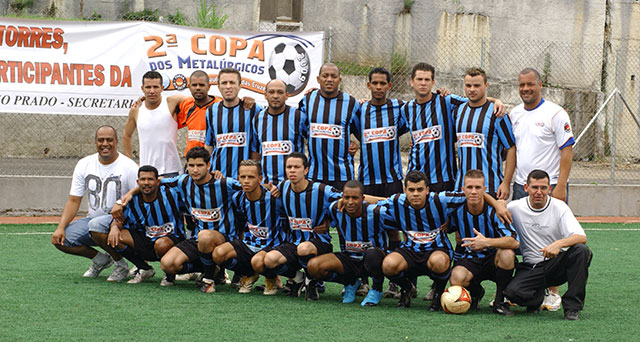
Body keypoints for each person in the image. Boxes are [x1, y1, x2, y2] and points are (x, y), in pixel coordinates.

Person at [510, 67, 576, 310]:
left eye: (530, 84)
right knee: (521, 237)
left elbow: (567, 150)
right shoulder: (514, 114)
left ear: (540, 85)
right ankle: (527, 285)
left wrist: (559, 187)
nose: (525, 89)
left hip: (549, 188)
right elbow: (513, 151)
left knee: (552, 235)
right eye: (521, 85)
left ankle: (553, 291)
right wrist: (508, 182)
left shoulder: (555, 113)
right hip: (521, 186)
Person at [51, 125, 138, 281]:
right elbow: (73, 200)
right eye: (101, 140)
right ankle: (101, 260)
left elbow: (138, 198)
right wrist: (60, 227)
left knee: (96, 225)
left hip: (122, 223)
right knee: (62, 240)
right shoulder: (84, 163)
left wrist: (117, 221)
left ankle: (120, 264)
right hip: (92, 221)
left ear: (117, 142)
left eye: (109, 140)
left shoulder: (129, 166)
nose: (105, 144)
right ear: (95, 142)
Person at [504, 170, 591, 320]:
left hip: (556, 265)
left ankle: (572, 308)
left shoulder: (559, 207)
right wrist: (499, 203)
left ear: (549, 189)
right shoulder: (514, 207)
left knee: (581, 251)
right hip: (531, 267)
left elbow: (581, 236)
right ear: (526, 188)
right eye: (534, 187)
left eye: (543, 188)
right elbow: (497, 211)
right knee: (513, 293)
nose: (539, 192)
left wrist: (558, 244)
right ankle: (535, 298)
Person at [258, 152, 341, 301]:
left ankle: (312, 282)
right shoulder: (283, 187)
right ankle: (299, 277)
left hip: (318, 243)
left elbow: (348, 199)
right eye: (289, 167)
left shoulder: (321, 190)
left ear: (306, 170)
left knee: (304, 248)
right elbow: (261, 188)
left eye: (297, 167)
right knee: (269, 260)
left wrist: (328, 221)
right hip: (294, 243)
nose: (292, 170)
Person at [159, 146, 242, 292]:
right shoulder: (183, 181)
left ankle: (208, 279)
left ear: (208, 166)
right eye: (191, 165)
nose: (195, 170)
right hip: (199, 240)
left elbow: (251, 187)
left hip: (224, 240)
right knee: (168, 264)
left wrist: (273, 188)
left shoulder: (223, 184)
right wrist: (124, 199)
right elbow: (154, 181)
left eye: (200, 165)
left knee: (204, 236)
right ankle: (213, 268)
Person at [356, 67, 408, 298]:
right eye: (374, 83)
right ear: (368, 85)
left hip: (392, 180)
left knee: (394, 231)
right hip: (367, 180)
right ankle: (363, 281)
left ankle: (396, 282)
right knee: (366, 231)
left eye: (382, 83)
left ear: (389, 86)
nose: (378, 87)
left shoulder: (399, 108)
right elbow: (353, 131)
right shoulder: (360, 109)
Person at [91, 165, 186, 284]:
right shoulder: (132, 200)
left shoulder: (171, 194)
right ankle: (144, 268)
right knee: (116, 236)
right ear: (138, 182)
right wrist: (114, 227)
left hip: (172, 241)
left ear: (157, 181)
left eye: (150, 179)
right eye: (143, 179)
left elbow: (189, 180)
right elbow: (119, 219)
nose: (146, 183)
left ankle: (169, 275)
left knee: (161, 243)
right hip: (146, 240)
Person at [307, 180, 389, 306]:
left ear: (363, 198)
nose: (350, 202)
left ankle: (376, 289)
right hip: (349, 259)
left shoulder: (377, 212)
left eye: (355, 198)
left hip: (373, 260)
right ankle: (350, 282)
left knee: (372, 254)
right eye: (347, 198)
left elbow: (394, 230)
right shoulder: (335, 209)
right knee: (314, 266)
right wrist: (326, 223)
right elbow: (325, 213)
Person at [447, 169, 519, 316]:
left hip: (493, 259)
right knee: (456, 278)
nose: (473, 191)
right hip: (470, 259)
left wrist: (486, 242)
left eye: (478, 187)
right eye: (469, 187)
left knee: (507, 254)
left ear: (485, 189)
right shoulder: (456, 210)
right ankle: (476, 293)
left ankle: (500, 301)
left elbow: (514, 242)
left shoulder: (495, 212)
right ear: (463, 189)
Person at [212, 160, 288, 294]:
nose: (246, 181)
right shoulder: (238, 198)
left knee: (258, 262)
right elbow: (241, 223)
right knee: (218, 254)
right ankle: (248, 274)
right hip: (249, 244)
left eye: (251, 177)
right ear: (238, 178)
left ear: (260, 178)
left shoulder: (274, 198)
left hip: (272, 246)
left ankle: (271, 278)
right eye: (243, 177)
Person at [454, 67, 516, 199]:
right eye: (468, 85)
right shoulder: (459, 111)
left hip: (490, 186)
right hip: (462, 186)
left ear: (486, 86)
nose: (472, 89)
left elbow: (511, 148)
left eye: (477, 85)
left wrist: (506, 183)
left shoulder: (497, 113)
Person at [298, 63, 360, 190]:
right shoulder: (308, 100)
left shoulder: (351, 103)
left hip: (342, 174)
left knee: (341, 209)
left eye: (334, 76)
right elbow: (303, 129)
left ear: (340, 80)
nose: (329, 79)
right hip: (314, 173)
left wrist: (353, 144)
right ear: (318, 79)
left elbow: (358, 131)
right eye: (325, 76)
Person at [205, 68, 263, 179]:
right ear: (218, 86)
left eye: (232, 82)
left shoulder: (253, 109)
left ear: (240, 85)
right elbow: (209, 145)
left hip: (244, 179)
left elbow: (257, 145)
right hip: (218, 176)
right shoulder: (211, 110)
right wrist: (208, 171)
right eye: (224, 83)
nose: (228, 86)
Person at [123, 71, 182, 176]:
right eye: (148, 87)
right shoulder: (136, 110)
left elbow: (199, 99)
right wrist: (130, 164)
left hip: (171, 170)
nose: (152, 91)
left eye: (155, 87)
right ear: (142, 88)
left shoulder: (171, 102)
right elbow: (126, 135)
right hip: (146, 172)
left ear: (162, 88)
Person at [250, 79, 308, 184]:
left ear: (287, 95)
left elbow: (313, 144)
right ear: (265, 95)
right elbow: (255, 151)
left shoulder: (298, 117)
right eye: (271, 92)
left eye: (280, 92)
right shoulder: (258, 118)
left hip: (293, 185)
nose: (275, 96)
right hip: (267, 185)